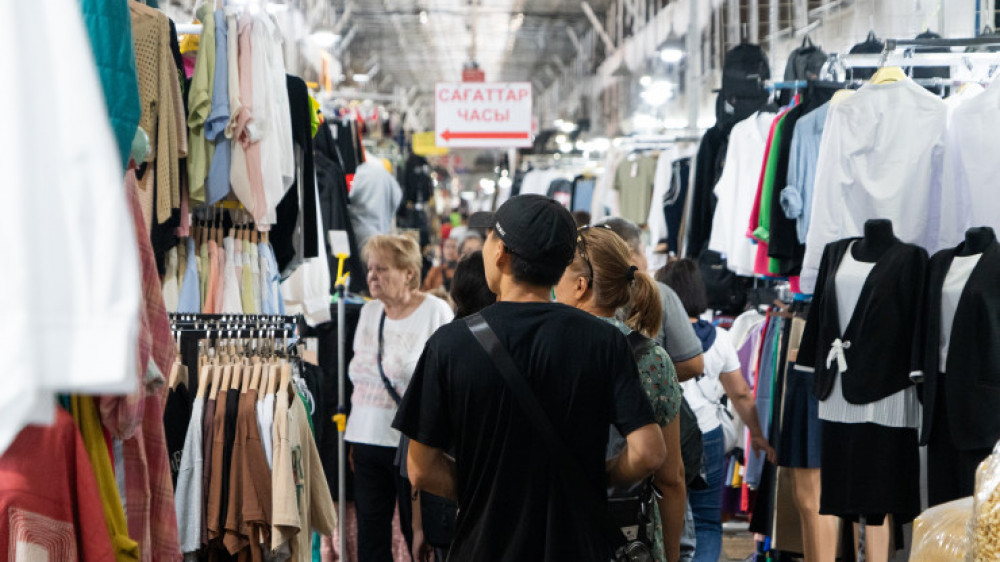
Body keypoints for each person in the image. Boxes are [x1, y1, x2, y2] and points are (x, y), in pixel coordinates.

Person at [393, 194, 666, 561]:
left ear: (500, 253)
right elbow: (650, 452)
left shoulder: (450, 344)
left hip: (484, 546)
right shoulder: (604, 342)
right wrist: (600, 476)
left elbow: (420, 468)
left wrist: (484, 487)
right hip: (580, 547)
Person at [554, 224, 683, 562]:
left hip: (556, 530)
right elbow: (671, 478)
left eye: (559, 277)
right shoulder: (653, 359)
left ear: (580, 286)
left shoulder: (546, 350)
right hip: (630, 537)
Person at [657, 258, 777, 562]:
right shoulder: (719, 339)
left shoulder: (655, 336)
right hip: (707, 433)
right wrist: (758, 436)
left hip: (667, 431)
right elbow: (741, 394)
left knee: (665, 511)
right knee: (707, 521)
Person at [346, 234, 454, 562]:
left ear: (409, 272)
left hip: (411, 444)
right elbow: (358, 382)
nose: (372, 276)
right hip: (365, 439)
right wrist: (353, 438)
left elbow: (444, 381)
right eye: (370, 269)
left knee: (419, 536)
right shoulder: (368, 313)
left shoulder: (435, 311)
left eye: (382, 269)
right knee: (371, 537)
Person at [596, 217, 705, 382]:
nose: (646, 261)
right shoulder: (661, 294)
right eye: (644, 252)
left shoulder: (578, 290)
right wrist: (648, 378)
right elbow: (693, 365)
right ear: (631, 254)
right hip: (643, 403)